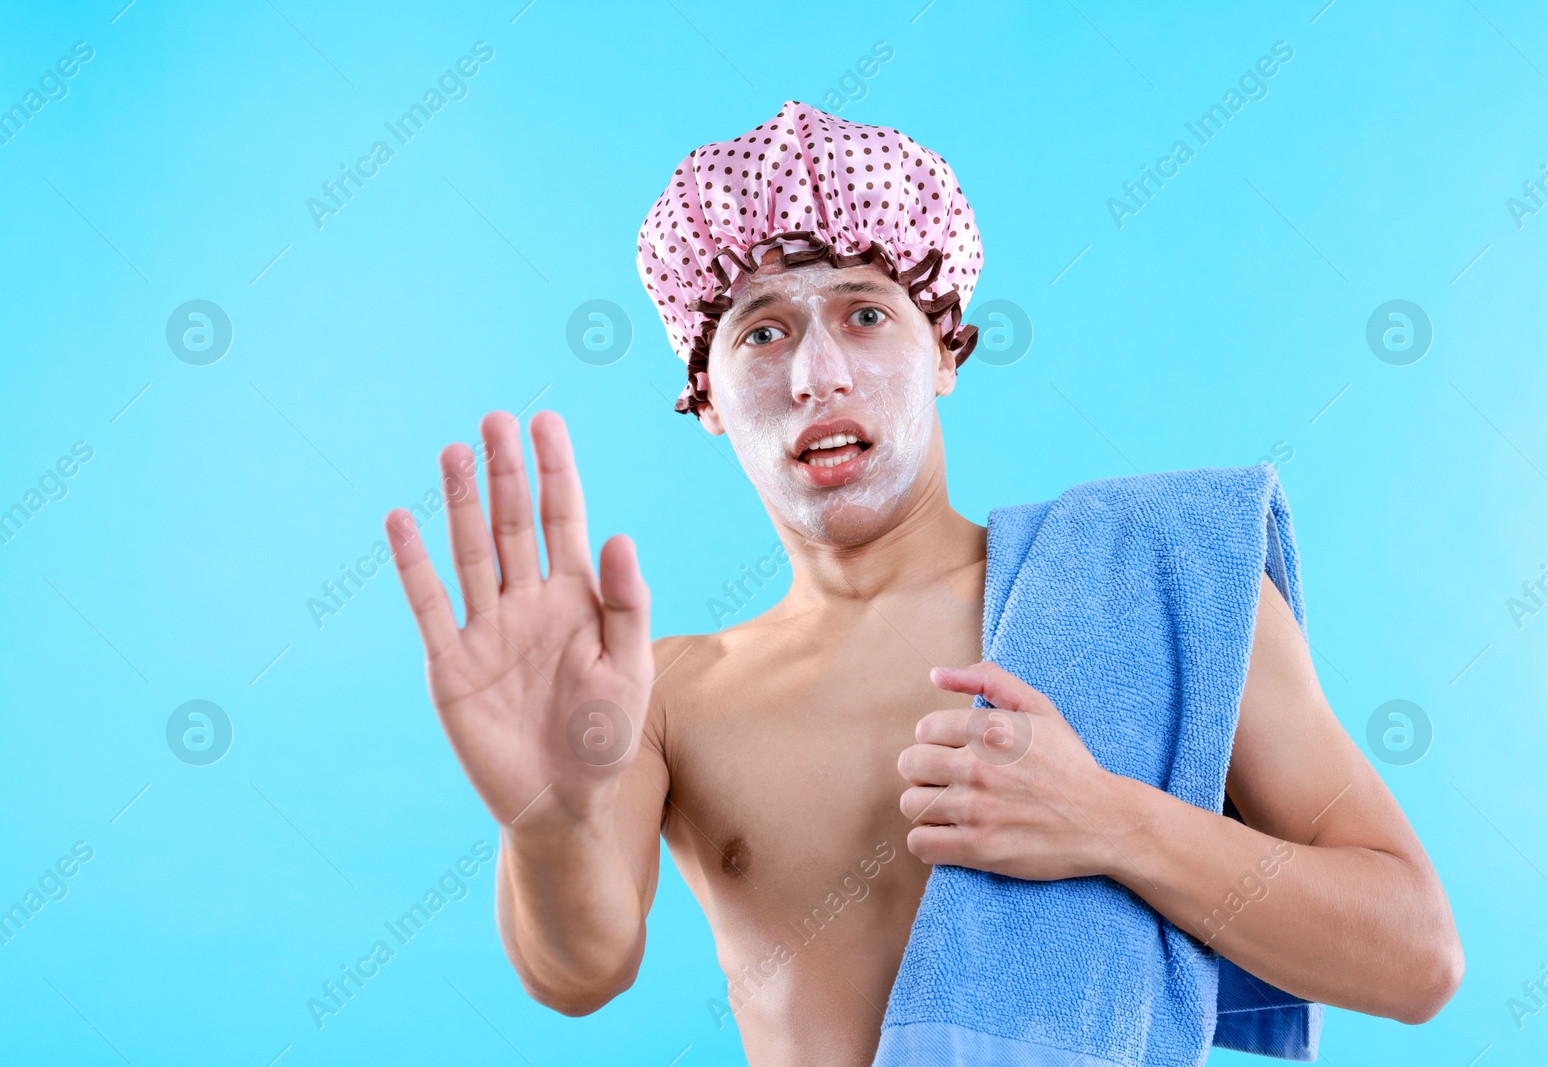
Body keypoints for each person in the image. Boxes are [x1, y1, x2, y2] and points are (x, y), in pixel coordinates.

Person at [383, 102, 1463, 1066]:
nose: (818, 374)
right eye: (760, 330)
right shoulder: (660, 696)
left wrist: (1111, 822)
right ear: (703, 398)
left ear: (945, 348)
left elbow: (1414, 954)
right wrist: (544, 817)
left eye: (864, 313)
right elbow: (580, 969)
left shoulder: (1157, 582)